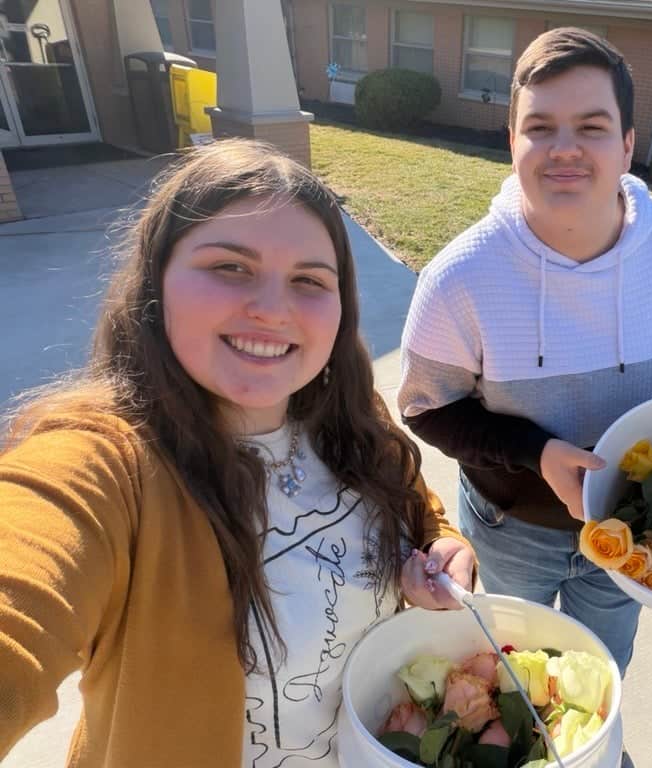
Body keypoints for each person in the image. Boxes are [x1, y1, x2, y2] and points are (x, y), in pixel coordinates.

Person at [0, 139, 475, 766]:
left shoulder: (351, 419)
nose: (273, 310)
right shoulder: (109, 465)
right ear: (156, 281)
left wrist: (442, 550)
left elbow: (419, 512)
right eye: (230, 267)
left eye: (308, 280)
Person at [398, 27, 652, 677]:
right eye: (540, 127)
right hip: (511, 526)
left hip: (635, 516)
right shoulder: (459, 278)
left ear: (626, 146)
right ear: (512, 144)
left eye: (591, 127)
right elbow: (426, 410)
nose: (564, 149)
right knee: (511, 670)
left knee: (602, 667)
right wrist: (534, 452)